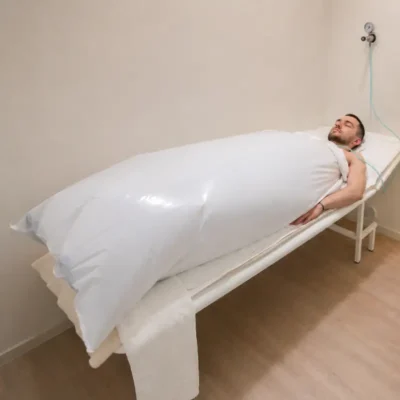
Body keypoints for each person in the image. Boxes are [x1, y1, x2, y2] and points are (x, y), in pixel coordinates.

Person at [292, 114, 367, 225]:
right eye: (338, 121)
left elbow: (356, 191)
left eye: (347, 125)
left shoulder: (353, 157)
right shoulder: (313, 141)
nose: (338, 124)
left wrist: (321, 205)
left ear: (356, 141)